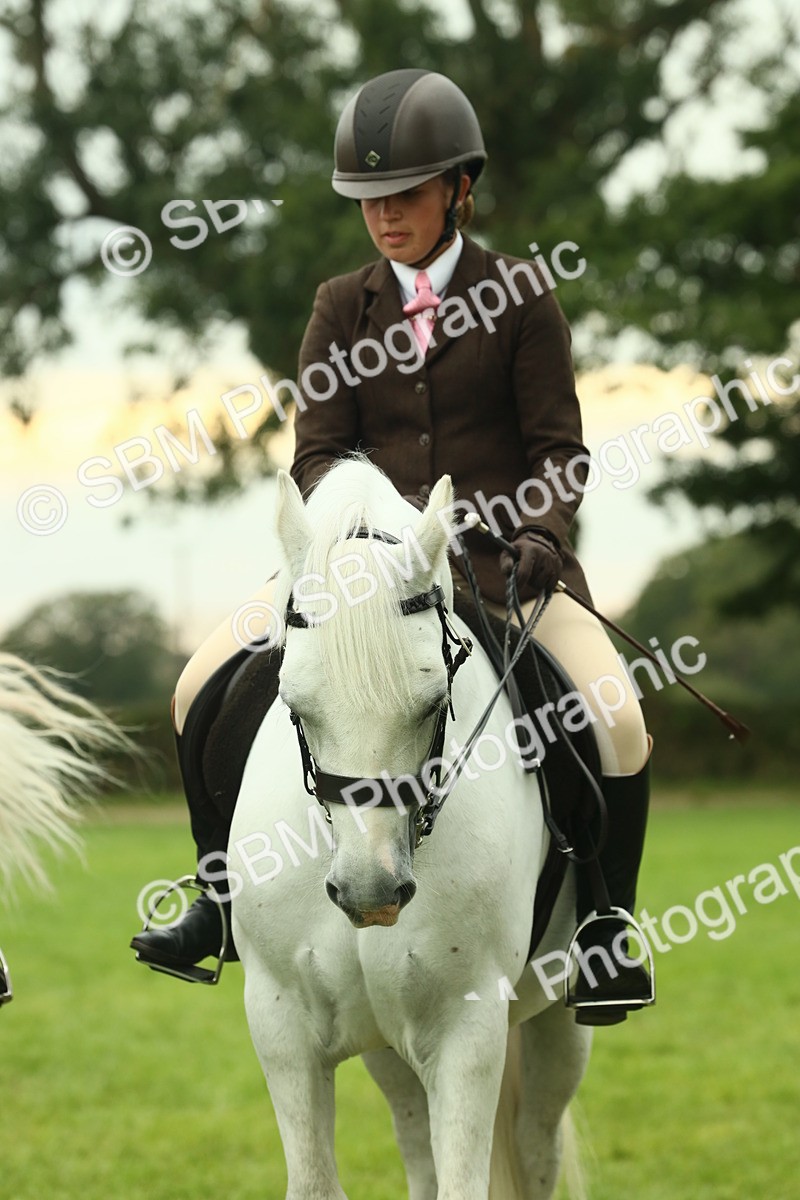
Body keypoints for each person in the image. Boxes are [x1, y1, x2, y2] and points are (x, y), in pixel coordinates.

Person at [131, 68, 653, 1024]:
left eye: (404, 194)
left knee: (616, 719)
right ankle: (215, 900)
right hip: (354, 573)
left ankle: (607, 928)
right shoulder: (341, 307)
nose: (384, 216)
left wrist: (542, 529)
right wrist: (361, 547)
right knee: (194, 684)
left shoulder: (523, 299)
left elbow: (558, 448)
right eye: (369, 200)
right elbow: (320, 454)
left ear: (459, 187)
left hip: (504, 567)